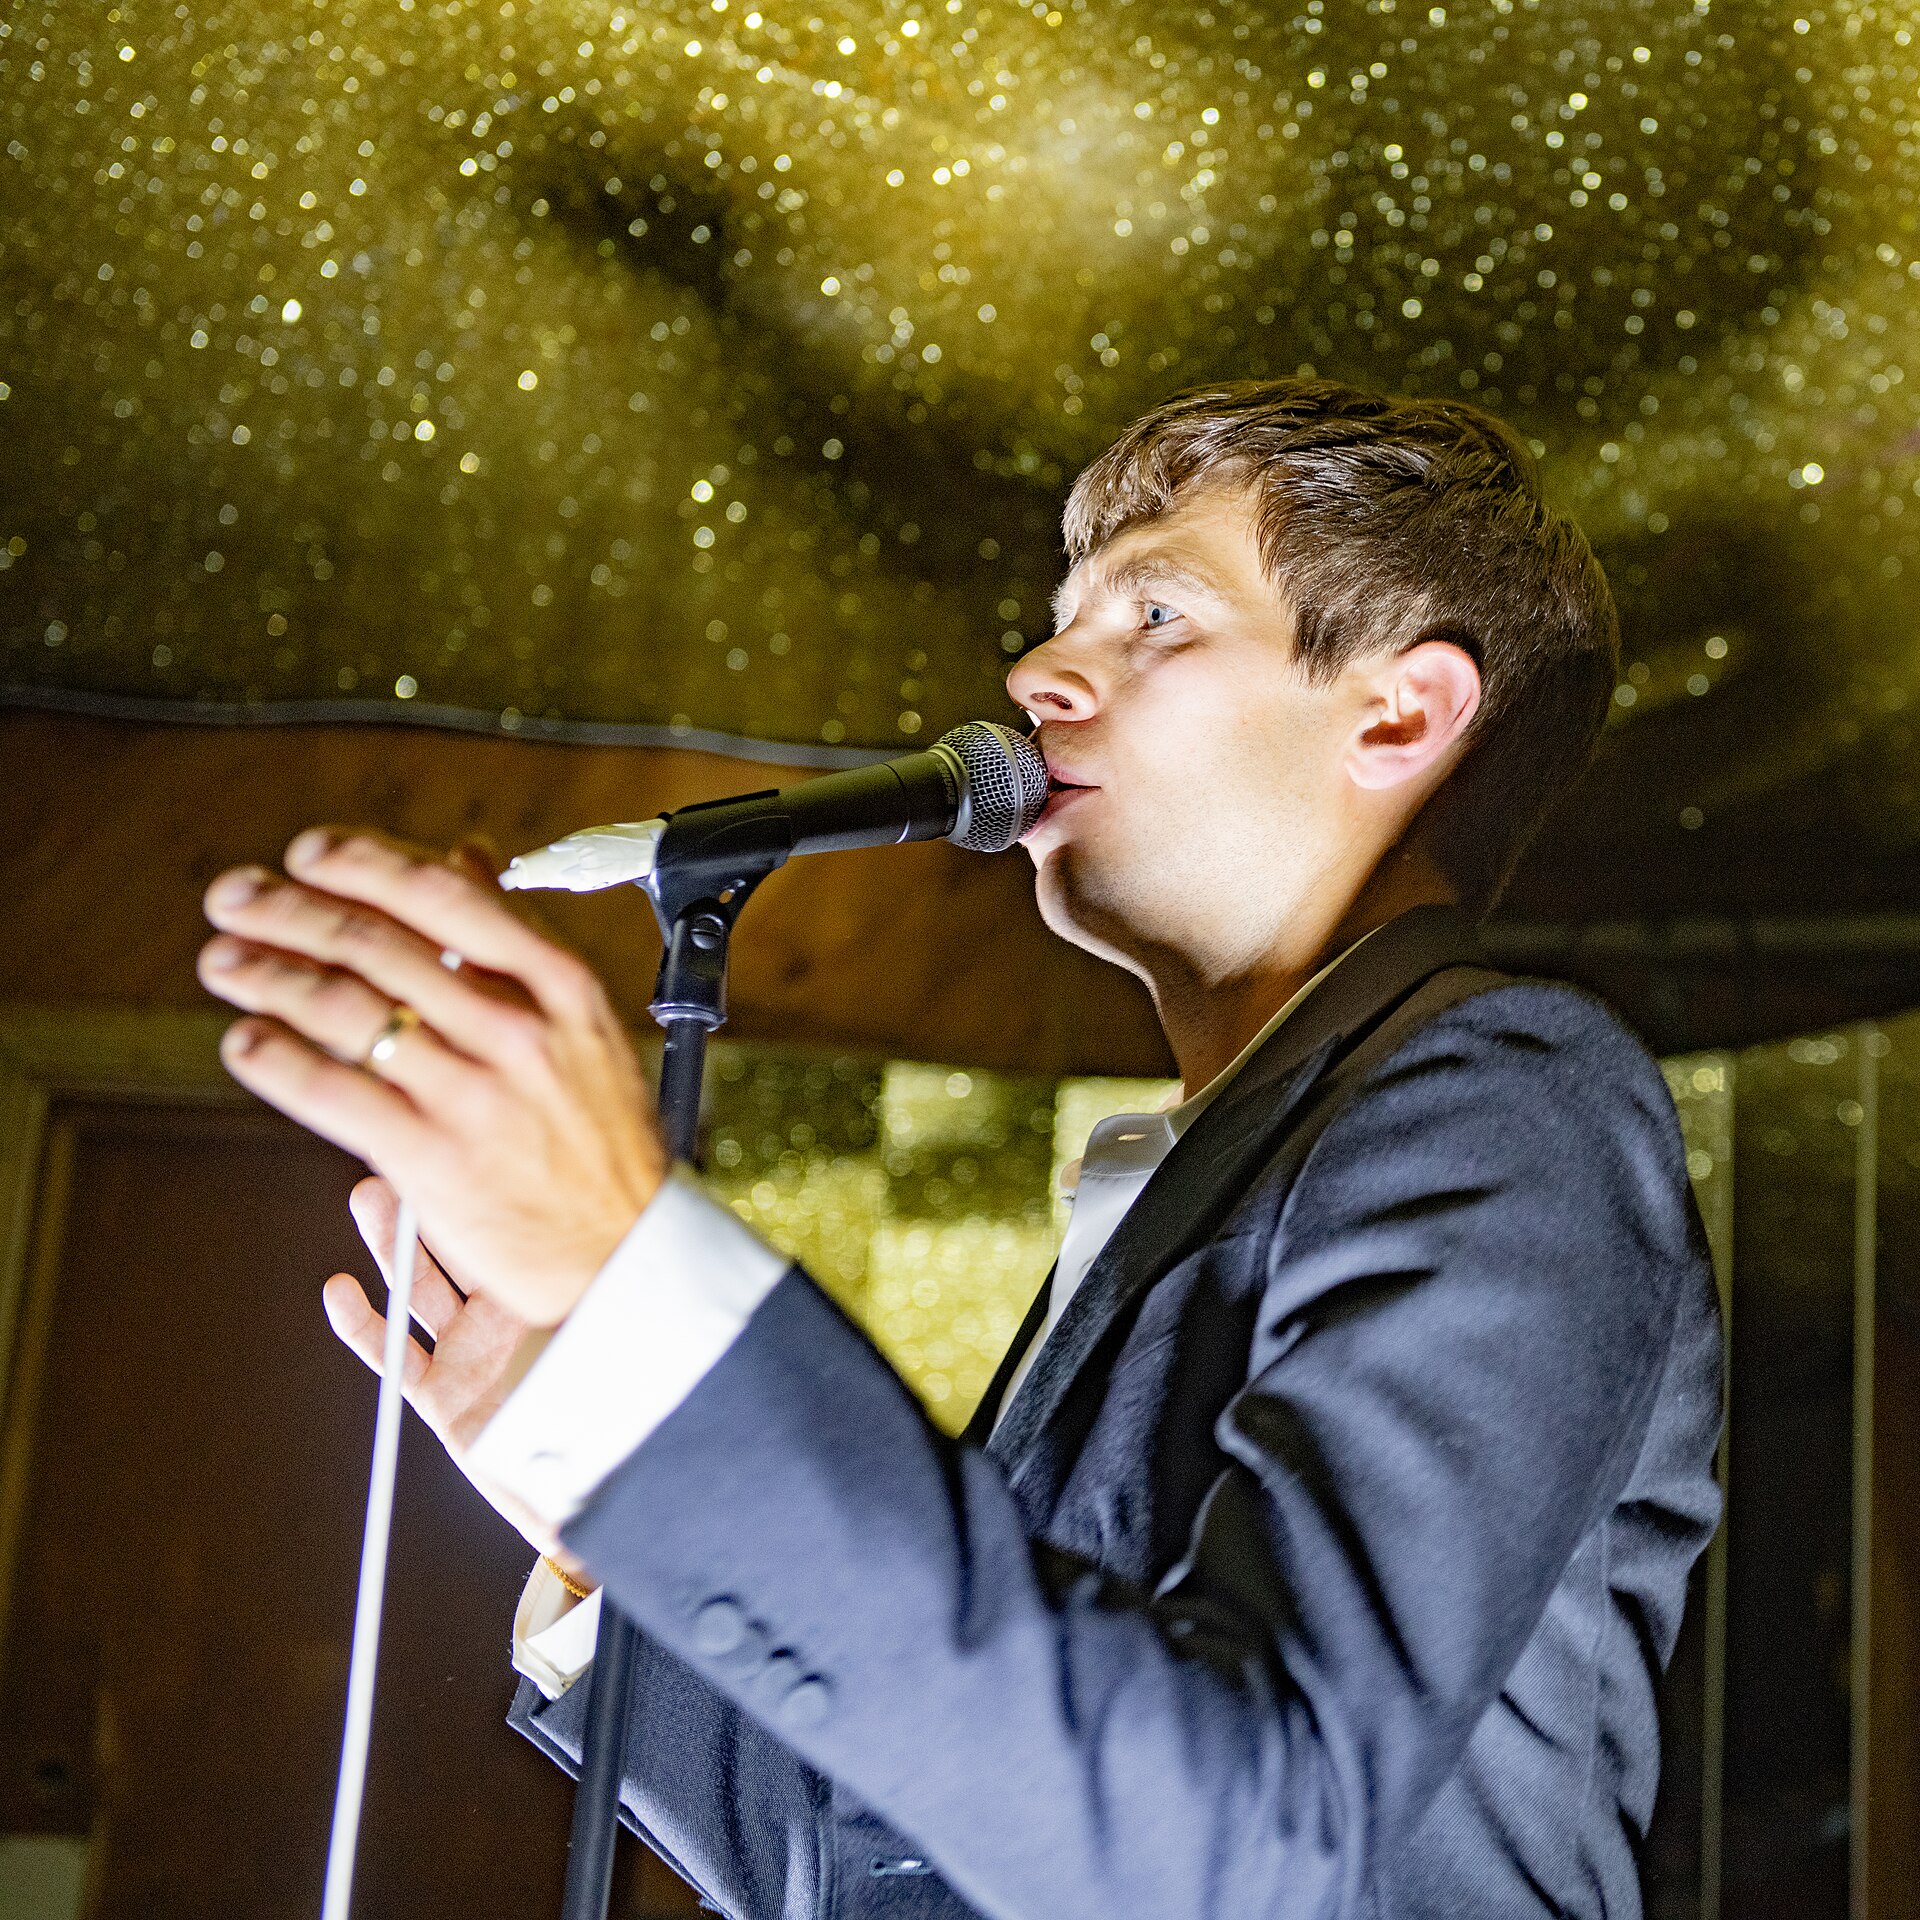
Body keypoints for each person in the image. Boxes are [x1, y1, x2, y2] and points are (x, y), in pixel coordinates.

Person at [198, 379, 1723, 1920]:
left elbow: (1246, 1836)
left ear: (1397, 713)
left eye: (1154, 618)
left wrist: (663, 1318)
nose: (1039, 672)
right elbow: (894, 1867)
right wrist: (607, 1514)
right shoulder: (1188, 1181)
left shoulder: (1510, 1092)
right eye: (1066, 617)